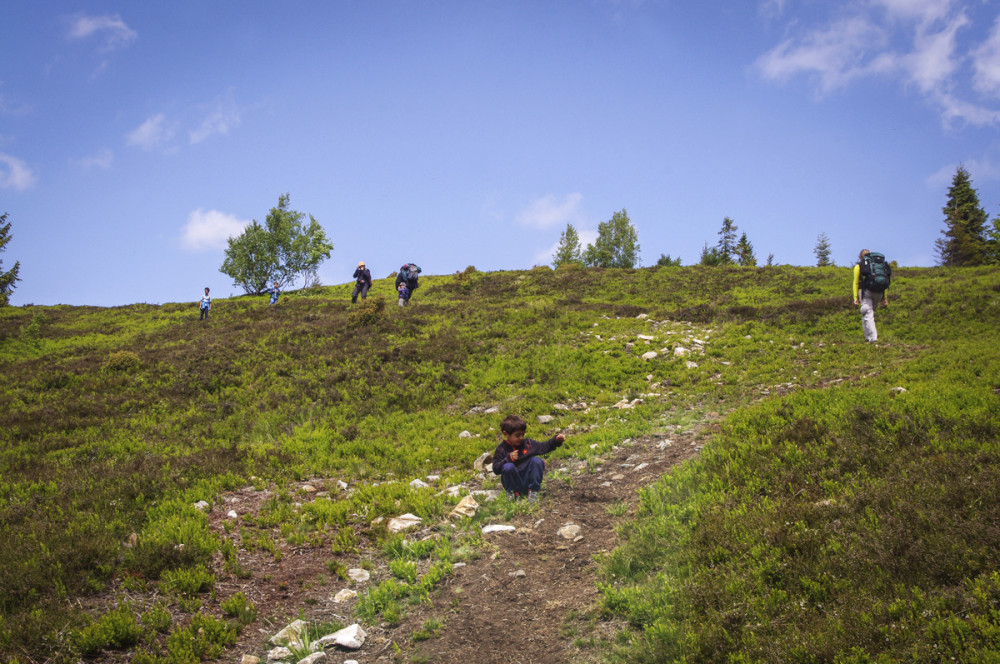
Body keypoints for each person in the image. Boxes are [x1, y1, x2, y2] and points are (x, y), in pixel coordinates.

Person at [491, 414, 566, 501]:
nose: (521, 438)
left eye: (523, 434)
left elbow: (544, 447)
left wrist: (555, 441)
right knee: (508, 467)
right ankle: (513, 494)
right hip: (514, 481)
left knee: (536, 461)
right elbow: (496, 469)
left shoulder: (528, 444)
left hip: (527, 479)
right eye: (517, 435)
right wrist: (508, 459)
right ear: (506, 434)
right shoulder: (501, 449)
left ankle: (533, 491)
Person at [853, 249, 889, 343]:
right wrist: (885, 298)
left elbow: (856, 283)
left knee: (868, 313)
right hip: (879, 292)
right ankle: (868, 338)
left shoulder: (859, 266)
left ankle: (873, 338)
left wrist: (855, 298)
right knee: (868, 313)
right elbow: (886, 281)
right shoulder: (879, 266)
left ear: (860, 257)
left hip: (866, 292)